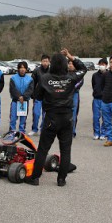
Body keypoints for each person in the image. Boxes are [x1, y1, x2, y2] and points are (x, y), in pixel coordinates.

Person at [25, 48, 87, 187]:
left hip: (51, 118)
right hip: (67, 118)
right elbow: (83, 68)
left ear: (52, 64)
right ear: (65, 65)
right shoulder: (71, 78)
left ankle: (35, 178)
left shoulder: (45, 78)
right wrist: (71, 56)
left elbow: (37, 96)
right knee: (65, 150)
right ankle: (61, 179)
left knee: (42, 149)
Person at [9, 61, 34, 133]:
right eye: (21, 68)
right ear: (18, 69)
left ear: (26, 69)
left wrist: (24, 97)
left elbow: (30, 90)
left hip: (25, 101)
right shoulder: (13, 78)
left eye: (24, 68)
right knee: (13, 117)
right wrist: (19, 97)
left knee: (23, 118)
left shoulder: (30, 79)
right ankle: (12, 131)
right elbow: (12, 89)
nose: (22, 69)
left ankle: (21, 132)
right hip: (15, 100)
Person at [28, 54, 50, 136]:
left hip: (47, 97)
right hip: (38, 96)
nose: (45, 63)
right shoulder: (36, 71)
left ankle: (43, 129)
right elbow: (32, 83)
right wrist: (32, 94)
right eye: (44, 61)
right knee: (36, 113)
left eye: (46, 61)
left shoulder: (51, 71)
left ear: (49, 62)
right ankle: (34, 129)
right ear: (41, 61)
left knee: (46, 115)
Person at [92, 58, 108, 140]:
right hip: (96, 99)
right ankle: (96, 133)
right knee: (95, 117)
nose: (102, 66)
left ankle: (103, 133)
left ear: (106, 65)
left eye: (103, 64)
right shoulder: (95, 75)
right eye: (100, 64)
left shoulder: (109, 75)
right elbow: (93, 85)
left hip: (105, 99)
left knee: (105, 117)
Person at [68, 60, 84, 138]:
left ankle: (72, 131)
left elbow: (80, 83)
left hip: (74, 94)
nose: (70, 65)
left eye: (72, 64)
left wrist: (70, 87)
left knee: (73, 114)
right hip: (65, 95)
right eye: (69, 63)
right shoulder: (65, 73)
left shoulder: (78, 74)